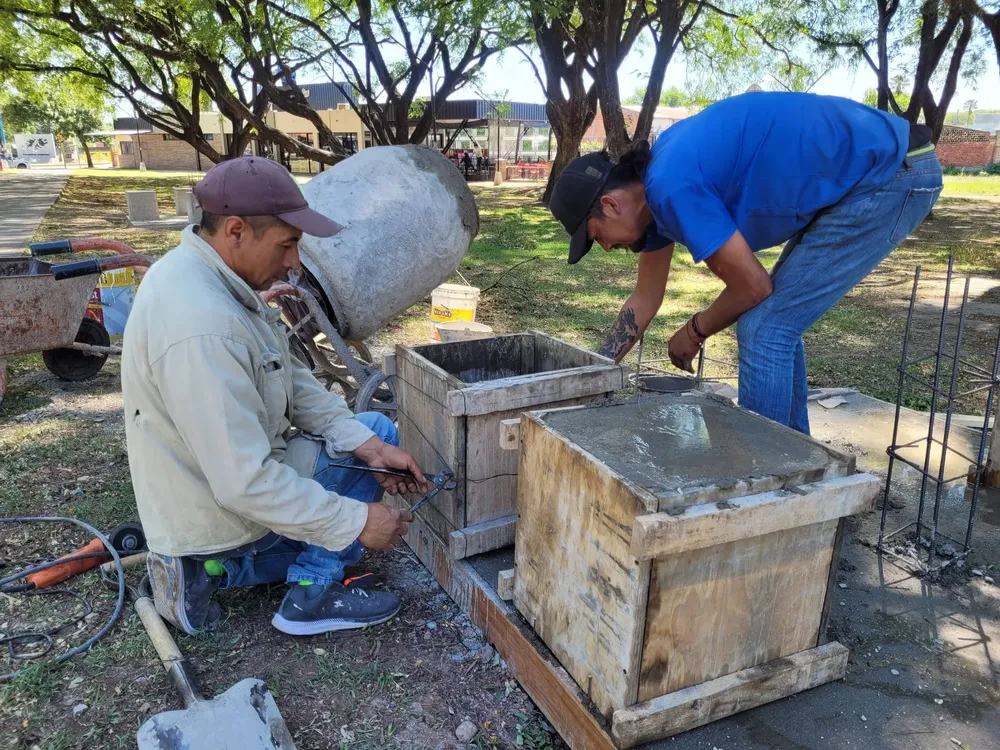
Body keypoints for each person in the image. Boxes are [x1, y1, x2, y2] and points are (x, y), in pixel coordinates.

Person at [122, 156, 428, 636]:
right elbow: (244, 483)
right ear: (237, 231)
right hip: (220, 504)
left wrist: (365, 446)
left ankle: (206, 570)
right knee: (345, 519)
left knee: (373, 433)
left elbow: (291, 377)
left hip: (219, 484)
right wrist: (354, 521)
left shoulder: (215, 280)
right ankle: (308, 595)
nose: (294, 262)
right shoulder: (203, 325)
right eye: (287, 244)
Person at [548, 92, 942, 435]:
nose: (604, 248)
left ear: (611, 204)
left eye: (597, 236)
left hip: (890, 174)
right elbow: (644, 298)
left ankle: (761, 481)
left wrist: (695, 330)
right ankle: (793, 461)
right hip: (869, 175)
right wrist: (592, 376)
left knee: (765, 326)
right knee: (777, 323)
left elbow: (753, 288)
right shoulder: (655, 192)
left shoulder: (670, 187)